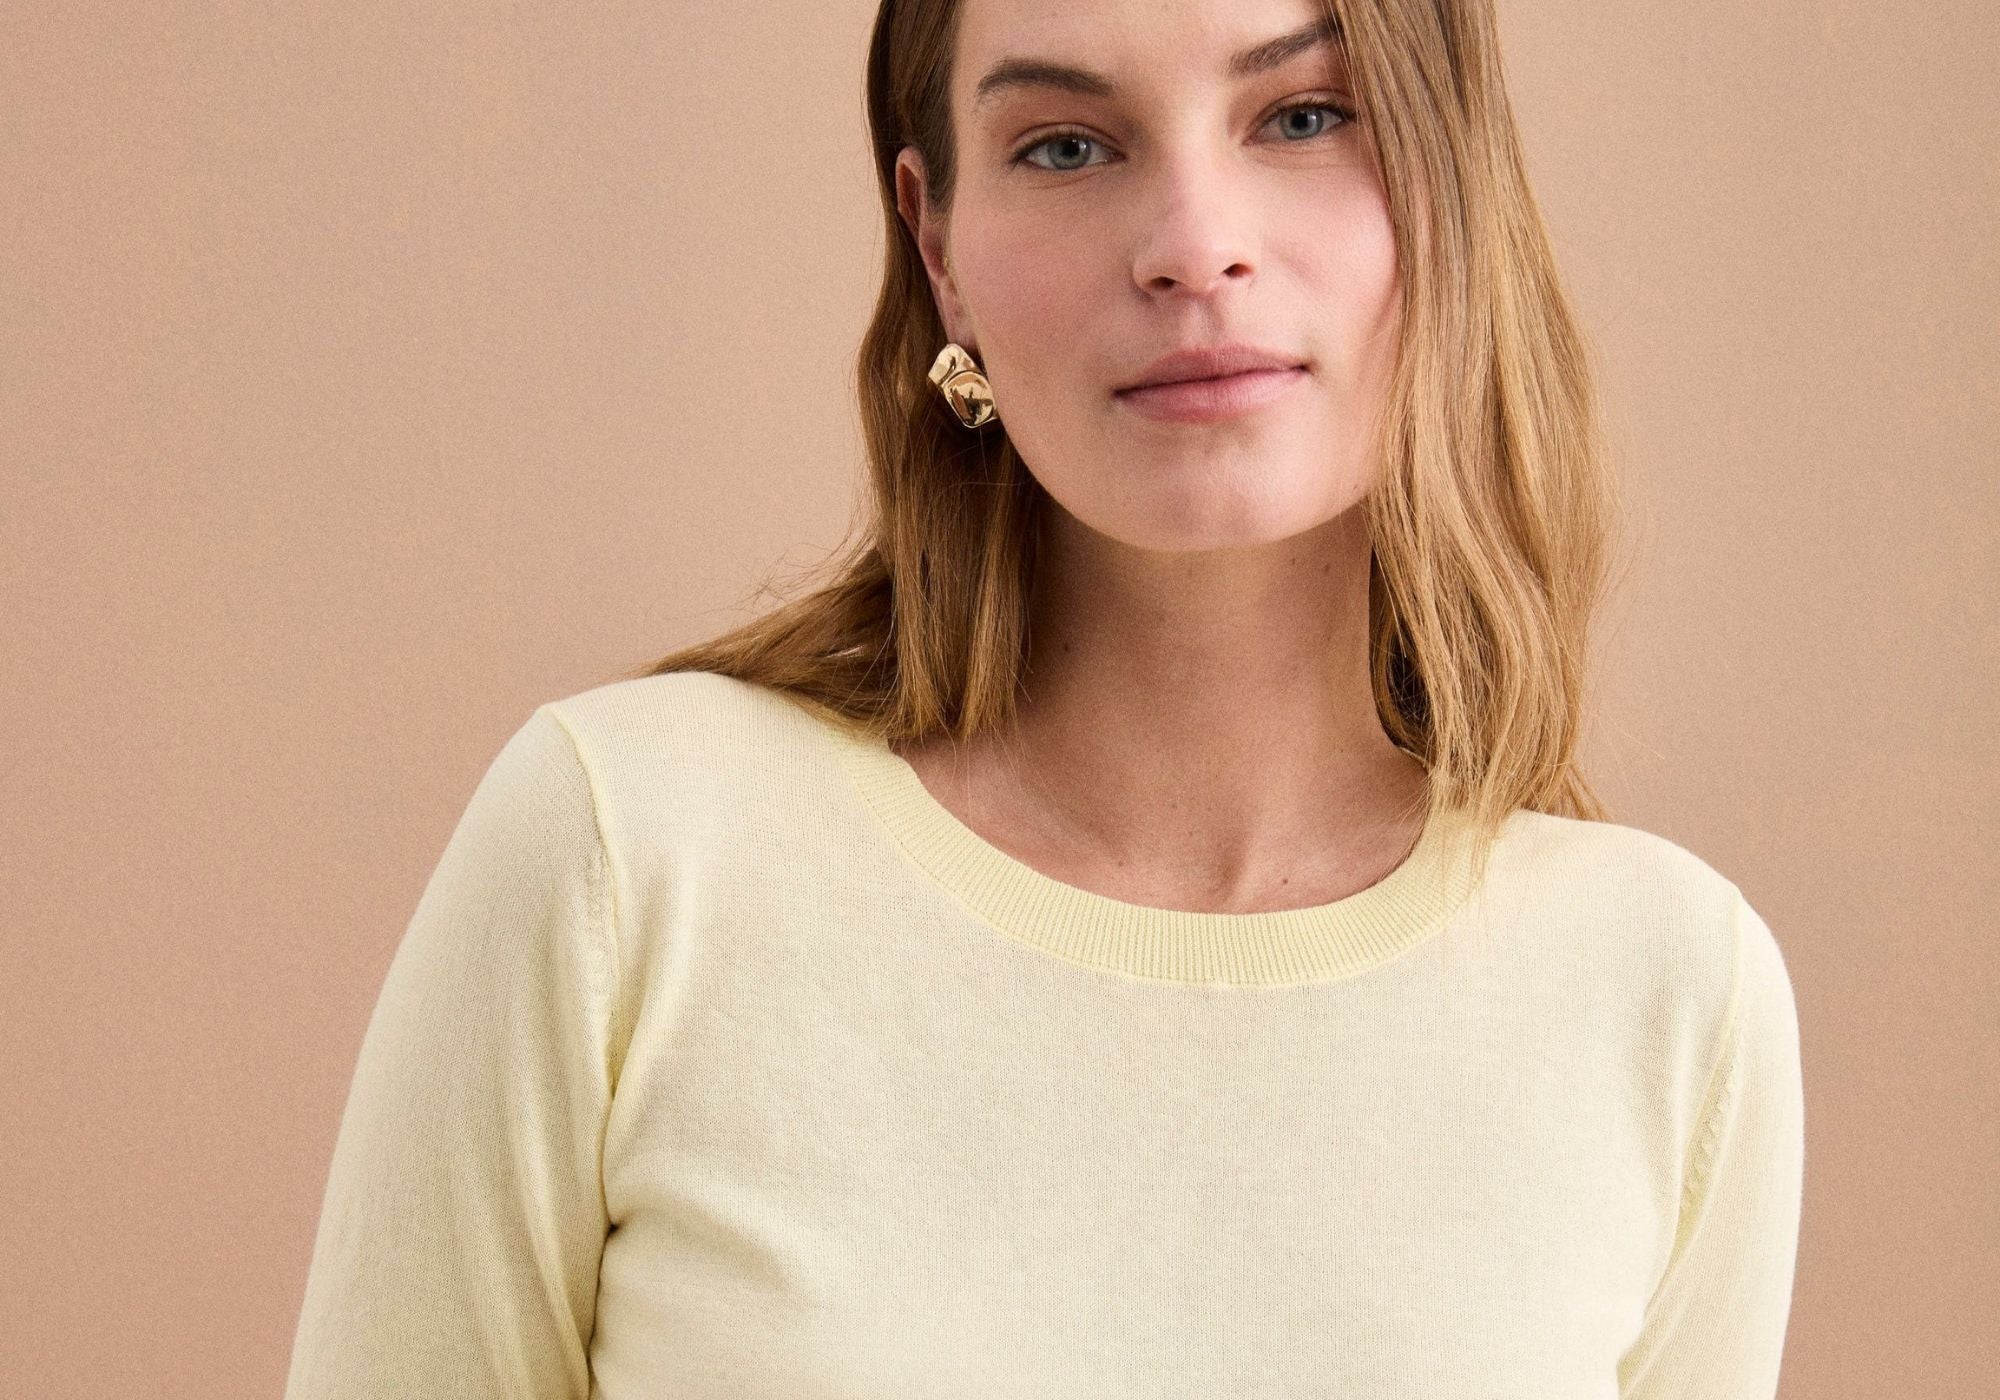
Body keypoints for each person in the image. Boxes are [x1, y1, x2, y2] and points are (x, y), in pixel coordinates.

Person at [285, 0, 1805, 1395]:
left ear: (1450, 183)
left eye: (1302, 116)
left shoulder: (1669, 994)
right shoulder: (628, 860)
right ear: (937, 245)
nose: (1195, 246)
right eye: (1067, 145)